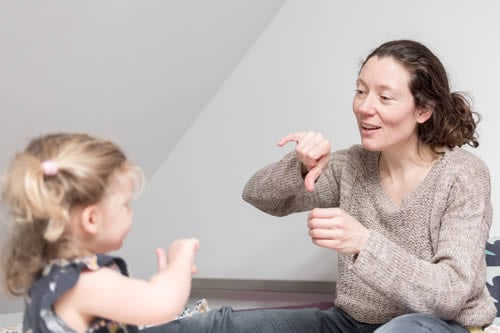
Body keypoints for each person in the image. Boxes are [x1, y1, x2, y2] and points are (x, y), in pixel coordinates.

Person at [158, 39, 496, 333]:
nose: (365, 108)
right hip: (350, 323)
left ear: (422, 110)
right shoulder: (352, 165)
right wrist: (301, 164)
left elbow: (451, 294)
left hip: (436, 326)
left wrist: (363, 243)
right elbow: (259, 195)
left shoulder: (461, 175)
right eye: (361, 91)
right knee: (219, 327)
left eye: (385, 97)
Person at [0, 133, 200, 333]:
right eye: (126, 205)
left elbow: (140, 310)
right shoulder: (85, 284)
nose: (131, 212)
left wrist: (166, 278)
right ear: (92, 219)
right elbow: (162, 303)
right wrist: (180, 259)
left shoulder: (50, 277)